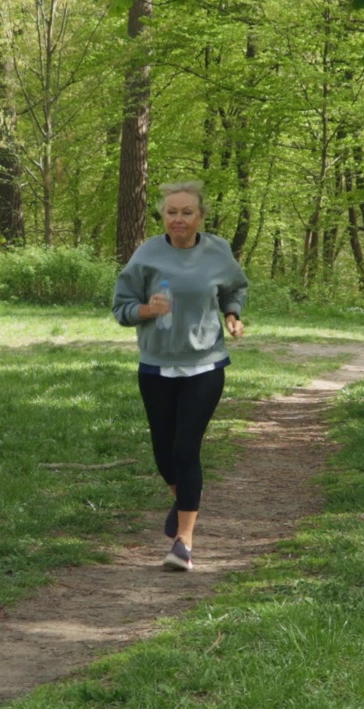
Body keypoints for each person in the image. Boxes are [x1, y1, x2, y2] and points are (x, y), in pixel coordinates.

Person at [112, 180, 248, 571]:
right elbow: (121, 307)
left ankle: (183, 542)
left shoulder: (218, 251)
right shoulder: (146, 255)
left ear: (200, 216)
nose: (179, 219)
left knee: (186, 449)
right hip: (156, 364)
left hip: (205, 363)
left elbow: (233, 289)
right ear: (162, 216)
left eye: (187, 212)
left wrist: (233, 315)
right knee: (164, 453)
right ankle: (185, 499)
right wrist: (146, 311)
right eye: (172, 212)